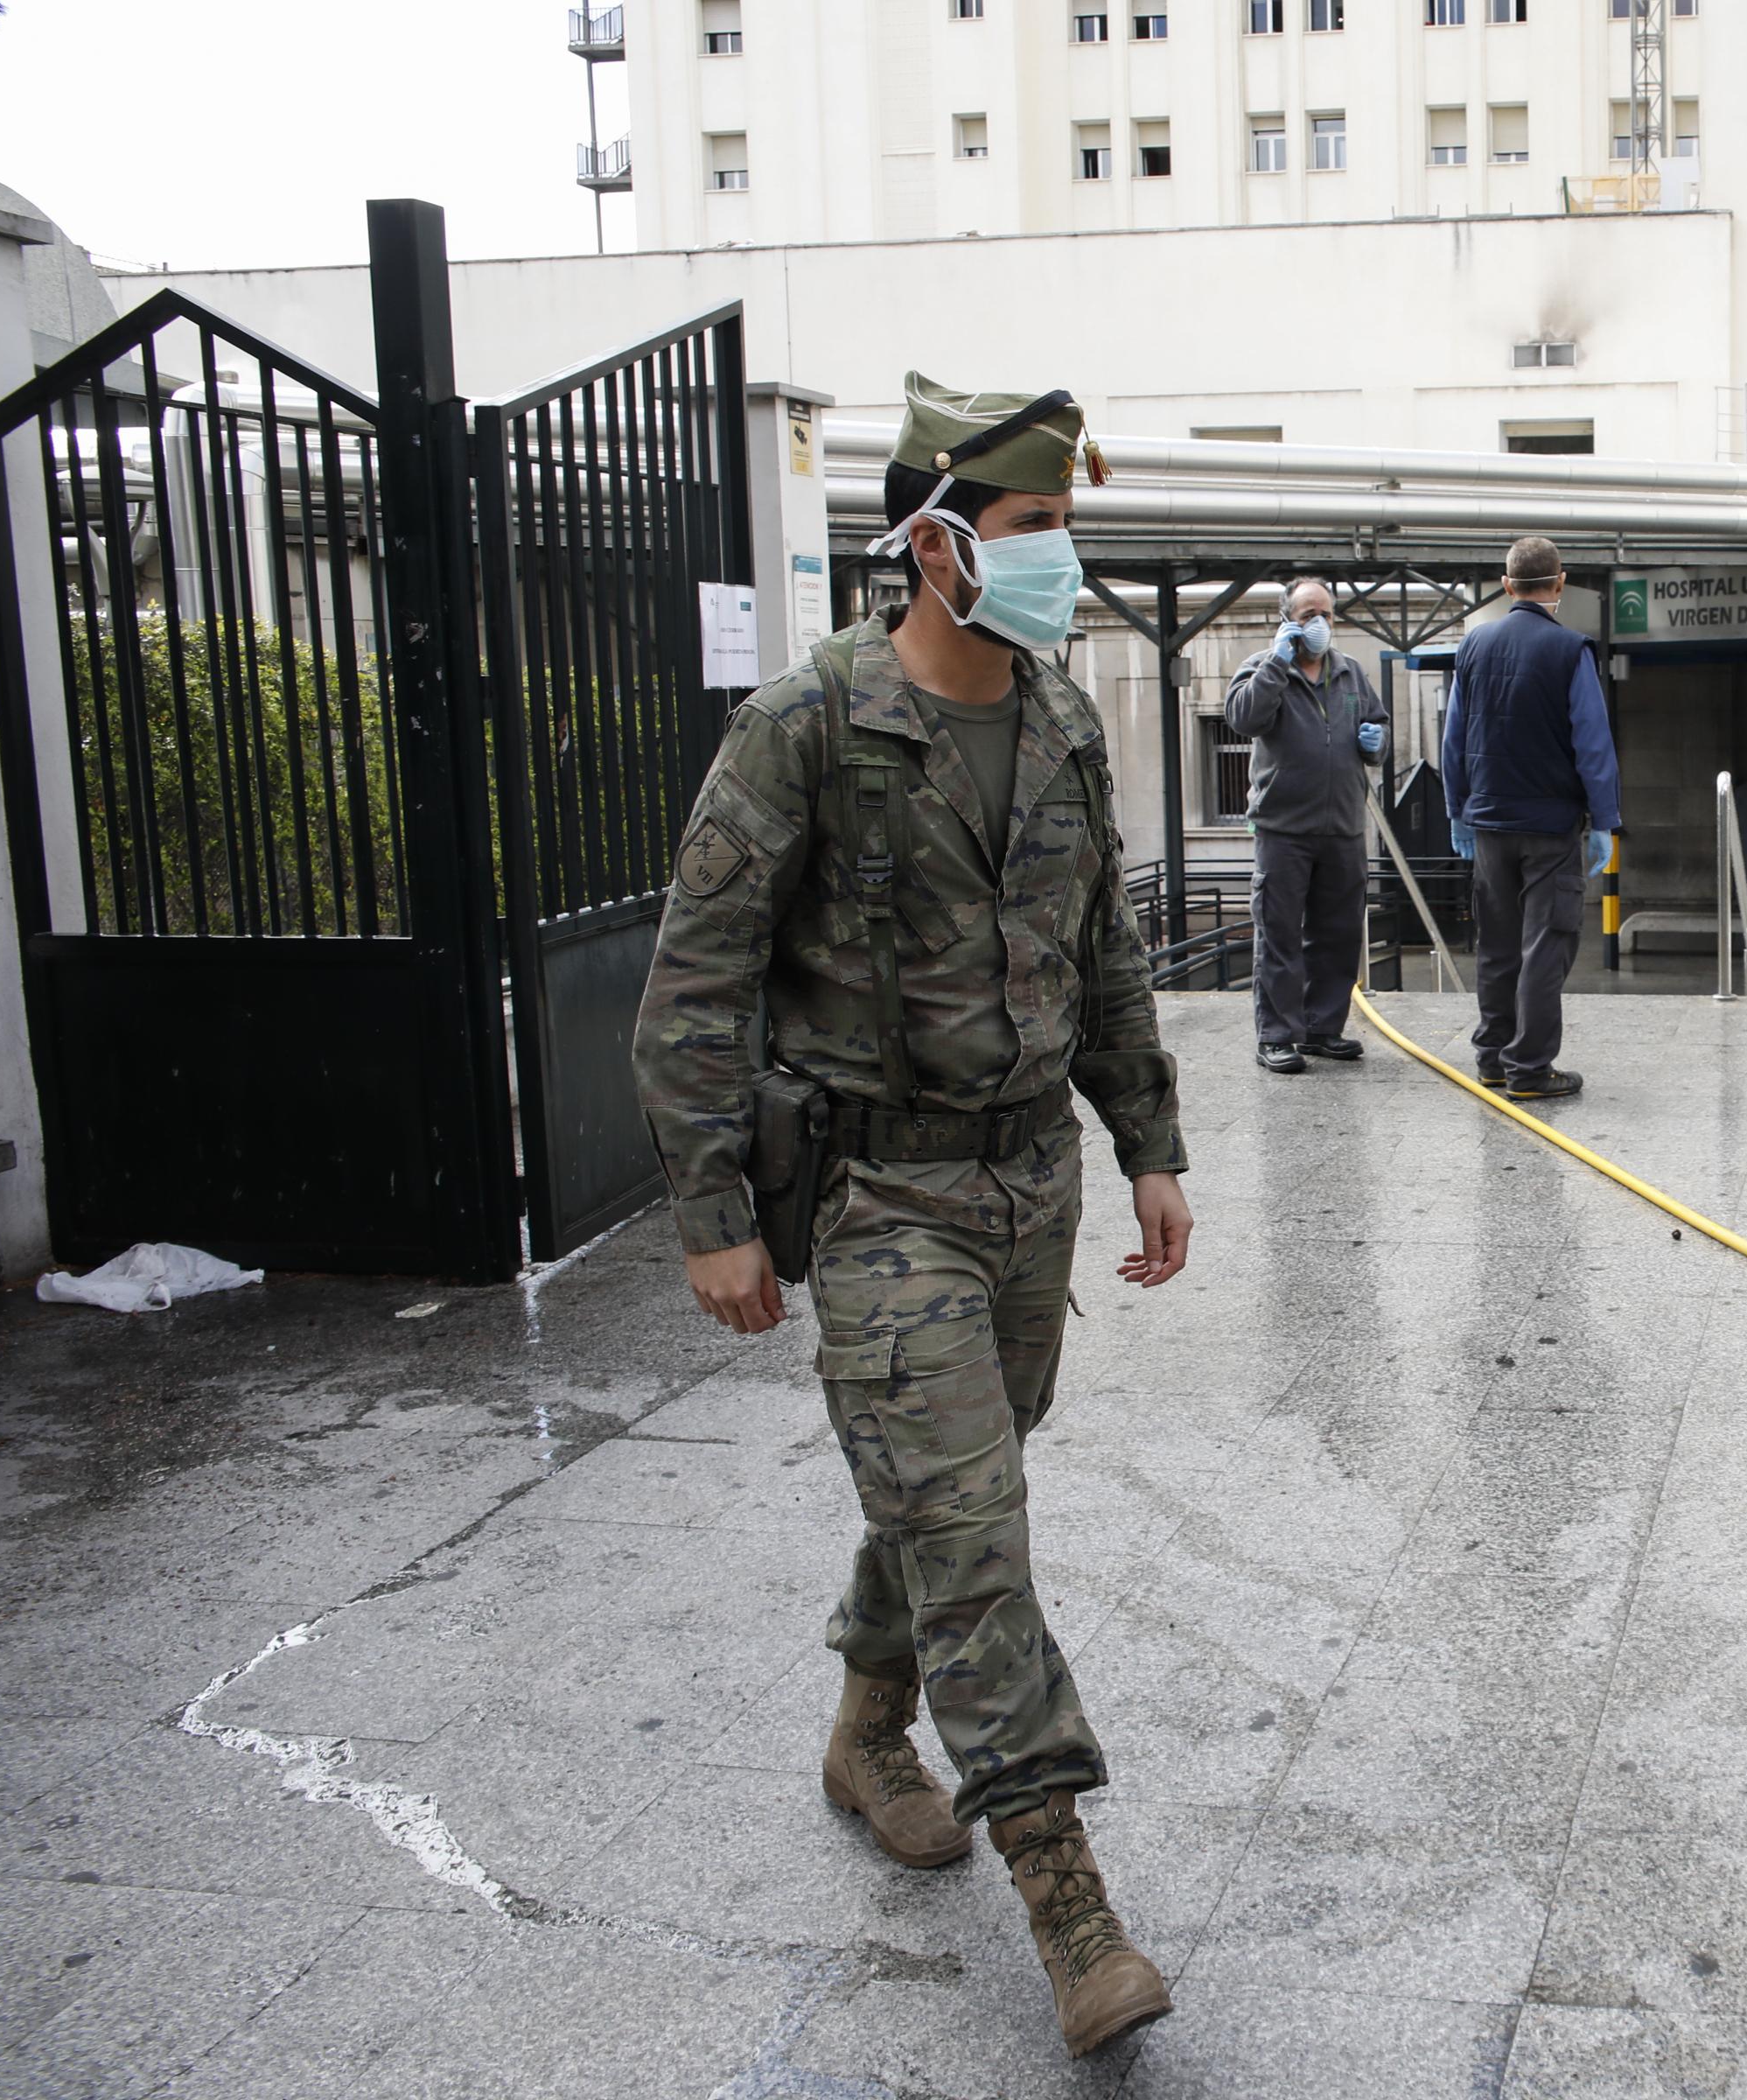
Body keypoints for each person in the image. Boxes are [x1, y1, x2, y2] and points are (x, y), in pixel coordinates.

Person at [632, 371, 1191, 2059]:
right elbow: (695, 982)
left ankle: (869, 1734)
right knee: (969, 1526)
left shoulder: (1067, 719)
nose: (1060, 558)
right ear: (941, 546)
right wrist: (712, 1210)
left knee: (949, 1479)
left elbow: (1103, 949)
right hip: (878, 1190)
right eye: (1033, 529)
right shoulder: (809, 725)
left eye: (1065, 526)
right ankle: (1069, 1898)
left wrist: (1149, 1139)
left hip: (1030, 1180)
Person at [1441, 535, 1621, 1102]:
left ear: (1506, 582)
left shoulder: (1473, 646)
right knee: (1547, 943)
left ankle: (1493, 1058)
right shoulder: (1571, 651)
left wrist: (1457, 810)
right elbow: (1593, 746)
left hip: (1489, 825)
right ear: (1560, 582)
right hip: (1550, 829)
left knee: (1496, 943)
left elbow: (1453, 739)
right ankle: (1530, 1070)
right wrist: (1605, 820)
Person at [1225, 577, 1390, 1074]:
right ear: (1287, 620)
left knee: (1338, 934)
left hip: (1341, 826)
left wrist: (1374, 742)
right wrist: (1277, 663)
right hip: (1283, 830)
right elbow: (1244, 719)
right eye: (1307, 615)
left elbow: (1379, 728)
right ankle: (1277, 1036)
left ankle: (1322, 1028)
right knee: (1279, 935)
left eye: (1327, 615)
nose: (1319, 624)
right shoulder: (1261, 668)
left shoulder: (1350, 674)